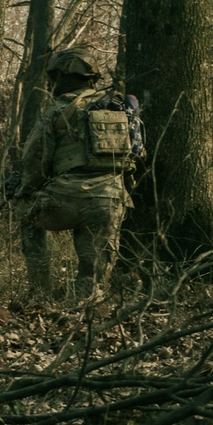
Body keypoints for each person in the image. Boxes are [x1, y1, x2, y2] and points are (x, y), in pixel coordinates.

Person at [15, 47, 134, 302]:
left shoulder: (56, 110)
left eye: (55, 77)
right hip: (109, 200)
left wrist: (25, 189)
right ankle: (84, 304)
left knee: (25, 213)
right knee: (93, 268)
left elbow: (35, 159)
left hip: (63, 199)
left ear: (63, 76)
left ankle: (39, 291)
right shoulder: (115, 109)